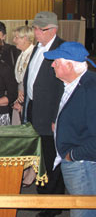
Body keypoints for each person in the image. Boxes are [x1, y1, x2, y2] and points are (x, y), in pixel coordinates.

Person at [44, 42, 96, 217]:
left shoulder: (90, 89)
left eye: (56, 62)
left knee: (84, 211)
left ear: (70, 65)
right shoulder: (75, 84)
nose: (52, 65)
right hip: (78, 161)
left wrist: (72, 155)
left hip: (83, 164)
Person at [23, 11, 65, 217]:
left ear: (53, 30)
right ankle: (42, 195)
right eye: (35, 28)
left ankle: (54, 205)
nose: (37, 32)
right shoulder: (38, 47)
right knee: (39, 156)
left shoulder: (61, 49)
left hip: (50, 114)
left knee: (51, 158)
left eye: (41, 29)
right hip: (34, 109)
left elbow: (63, 88)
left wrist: (57, 118)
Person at [11, 26, 35, 125]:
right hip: (19, 94)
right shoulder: (22, 54)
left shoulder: (34, 54)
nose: (13, 40)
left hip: (28, 95)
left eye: (16, 37)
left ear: (25, 38)